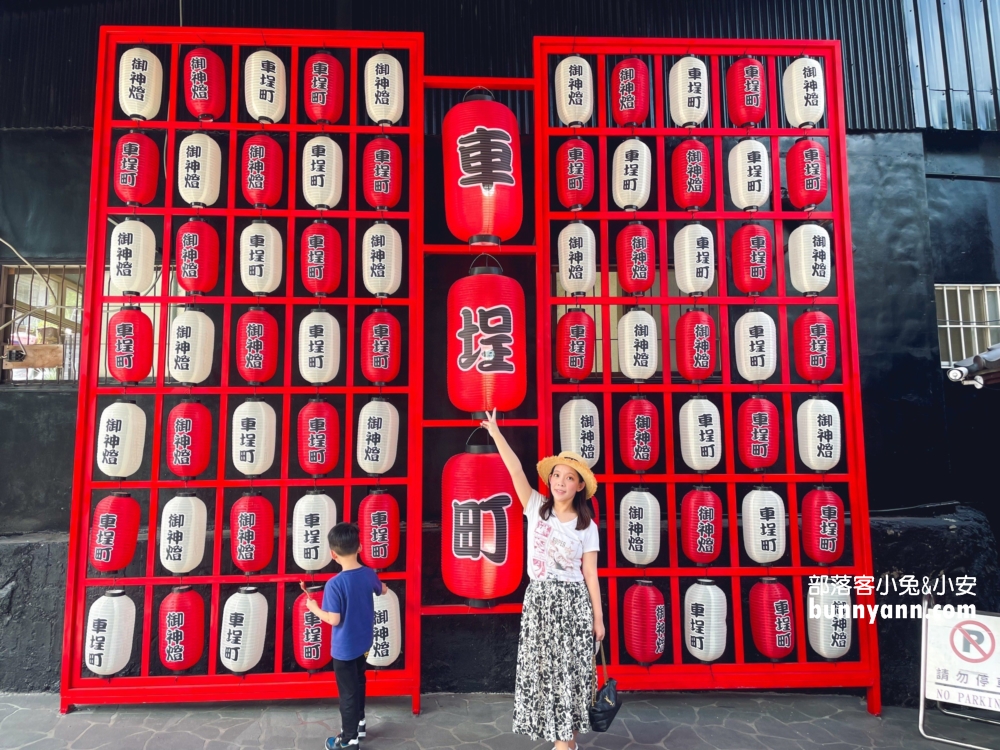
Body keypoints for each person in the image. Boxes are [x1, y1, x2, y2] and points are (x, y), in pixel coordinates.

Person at [481, 407, 605, 750]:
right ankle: (562, 741)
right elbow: (515, 469)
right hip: (539, 601)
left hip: (573, 602)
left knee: (571, 673)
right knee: (546, 673)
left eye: (569, 478)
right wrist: (495, 433)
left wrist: (598, 618)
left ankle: (566, 742)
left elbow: (590, 574)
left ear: (580, 486)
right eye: (556, 476)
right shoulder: (536, 507)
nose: (561, 482)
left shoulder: (587, 527)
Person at [302, 522, 388, 749]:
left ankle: (349, 740)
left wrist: (313, 608)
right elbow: (382, 589)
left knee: (347, 694)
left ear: (333, 554)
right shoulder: (369, 574)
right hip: (363, 643)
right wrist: (382, 586)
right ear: (360, 547)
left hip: (344, 649)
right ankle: (359, 724)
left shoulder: (335, 584)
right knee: (359, 682)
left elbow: (334, 619)